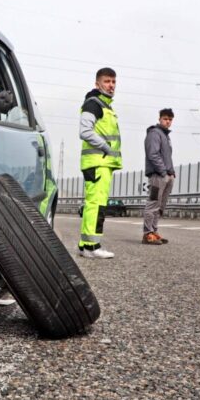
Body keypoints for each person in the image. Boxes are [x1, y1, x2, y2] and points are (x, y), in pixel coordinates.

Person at [78, 67, 122, 259]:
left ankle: (84, 244)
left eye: (113, 82)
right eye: (107, 81)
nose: (111, 85)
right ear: (97, 83)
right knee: (96, 204)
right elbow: (85, 131)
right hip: (98, 161)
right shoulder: (94, 103)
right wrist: (105, 147)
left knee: (95, 203)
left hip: (101, 162)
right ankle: (91, 246)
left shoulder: (106, 106)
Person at [141, 108, 175, 244]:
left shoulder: (165, 136)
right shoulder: (155, 134)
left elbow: (166, 157)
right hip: (157, 175)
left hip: (166, 175)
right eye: (165, 119)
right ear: (160, 118)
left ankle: (154, 231)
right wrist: (163, 171)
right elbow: (153, 154)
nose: (168, 122)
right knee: (153, 203)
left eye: (170, 120)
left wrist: (171, 172)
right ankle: (147, 233)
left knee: (160, 205)